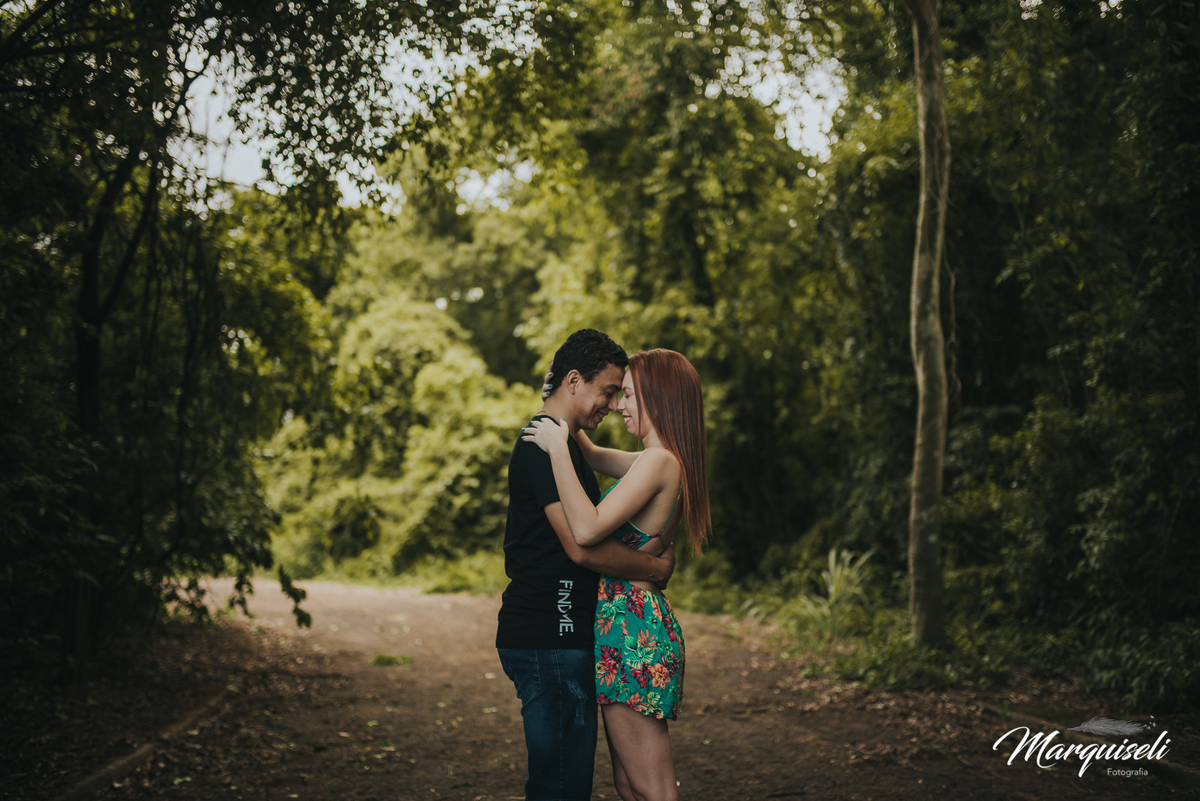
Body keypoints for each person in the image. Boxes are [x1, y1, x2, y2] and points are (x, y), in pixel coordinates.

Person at [496, 329, 676, 801]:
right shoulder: (543, 445)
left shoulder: (569, 446)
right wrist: (651, 567)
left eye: (624, 394)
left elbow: (593, 466)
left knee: (577, 782)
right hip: (547, 634)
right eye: (610, 391)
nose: (614, 405)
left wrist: (565, 427)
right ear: (574, 381)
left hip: (570, 636)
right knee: (560, 785)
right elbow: (580, 545)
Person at [523, 348, 710, 801]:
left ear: (658, 398)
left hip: (632, 630)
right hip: (629, 626)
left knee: (652, 790)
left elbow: (586, 529)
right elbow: (591, 452)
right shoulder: (656, 460)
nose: (617, 405)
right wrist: (557, 404)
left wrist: (553, 449)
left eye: (627, 395)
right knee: (630, 786)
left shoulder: (658, 463)